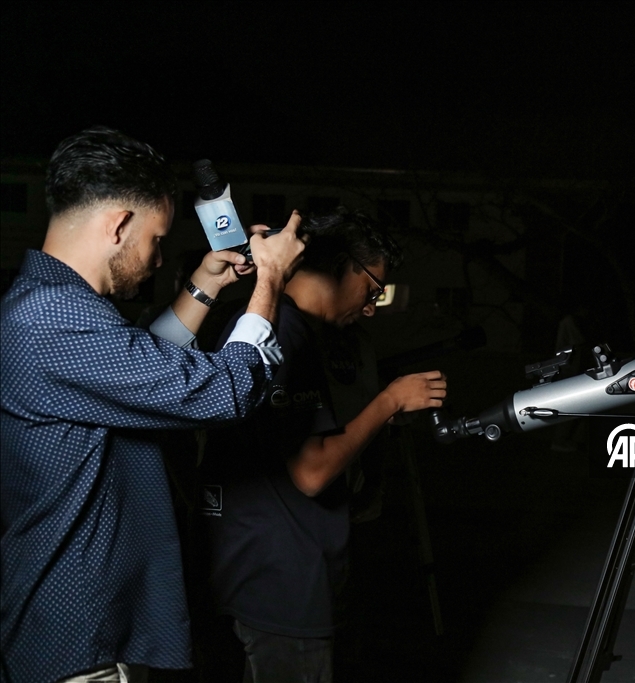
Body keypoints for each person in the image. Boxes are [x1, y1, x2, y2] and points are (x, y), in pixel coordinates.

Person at [0, 126, 306, 683]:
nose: (159, 258)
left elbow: (137, 367)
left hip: (91, 627)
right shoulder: (51, 316)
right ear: (119, 225)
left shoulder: (50, 304)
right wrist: (271, 279)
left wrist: (205, 285)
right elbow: (225, 389)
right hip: (78, 639)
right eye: (155, 239)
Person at [200, 206, 446, 682]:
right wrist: (389, 401)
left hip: (243, 568)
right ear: (343, 265)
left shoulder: (255, 323)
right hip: (284, 583)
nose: (371, 307)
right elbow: (311, 472)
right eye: (373, 289)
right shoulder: (286, 333)